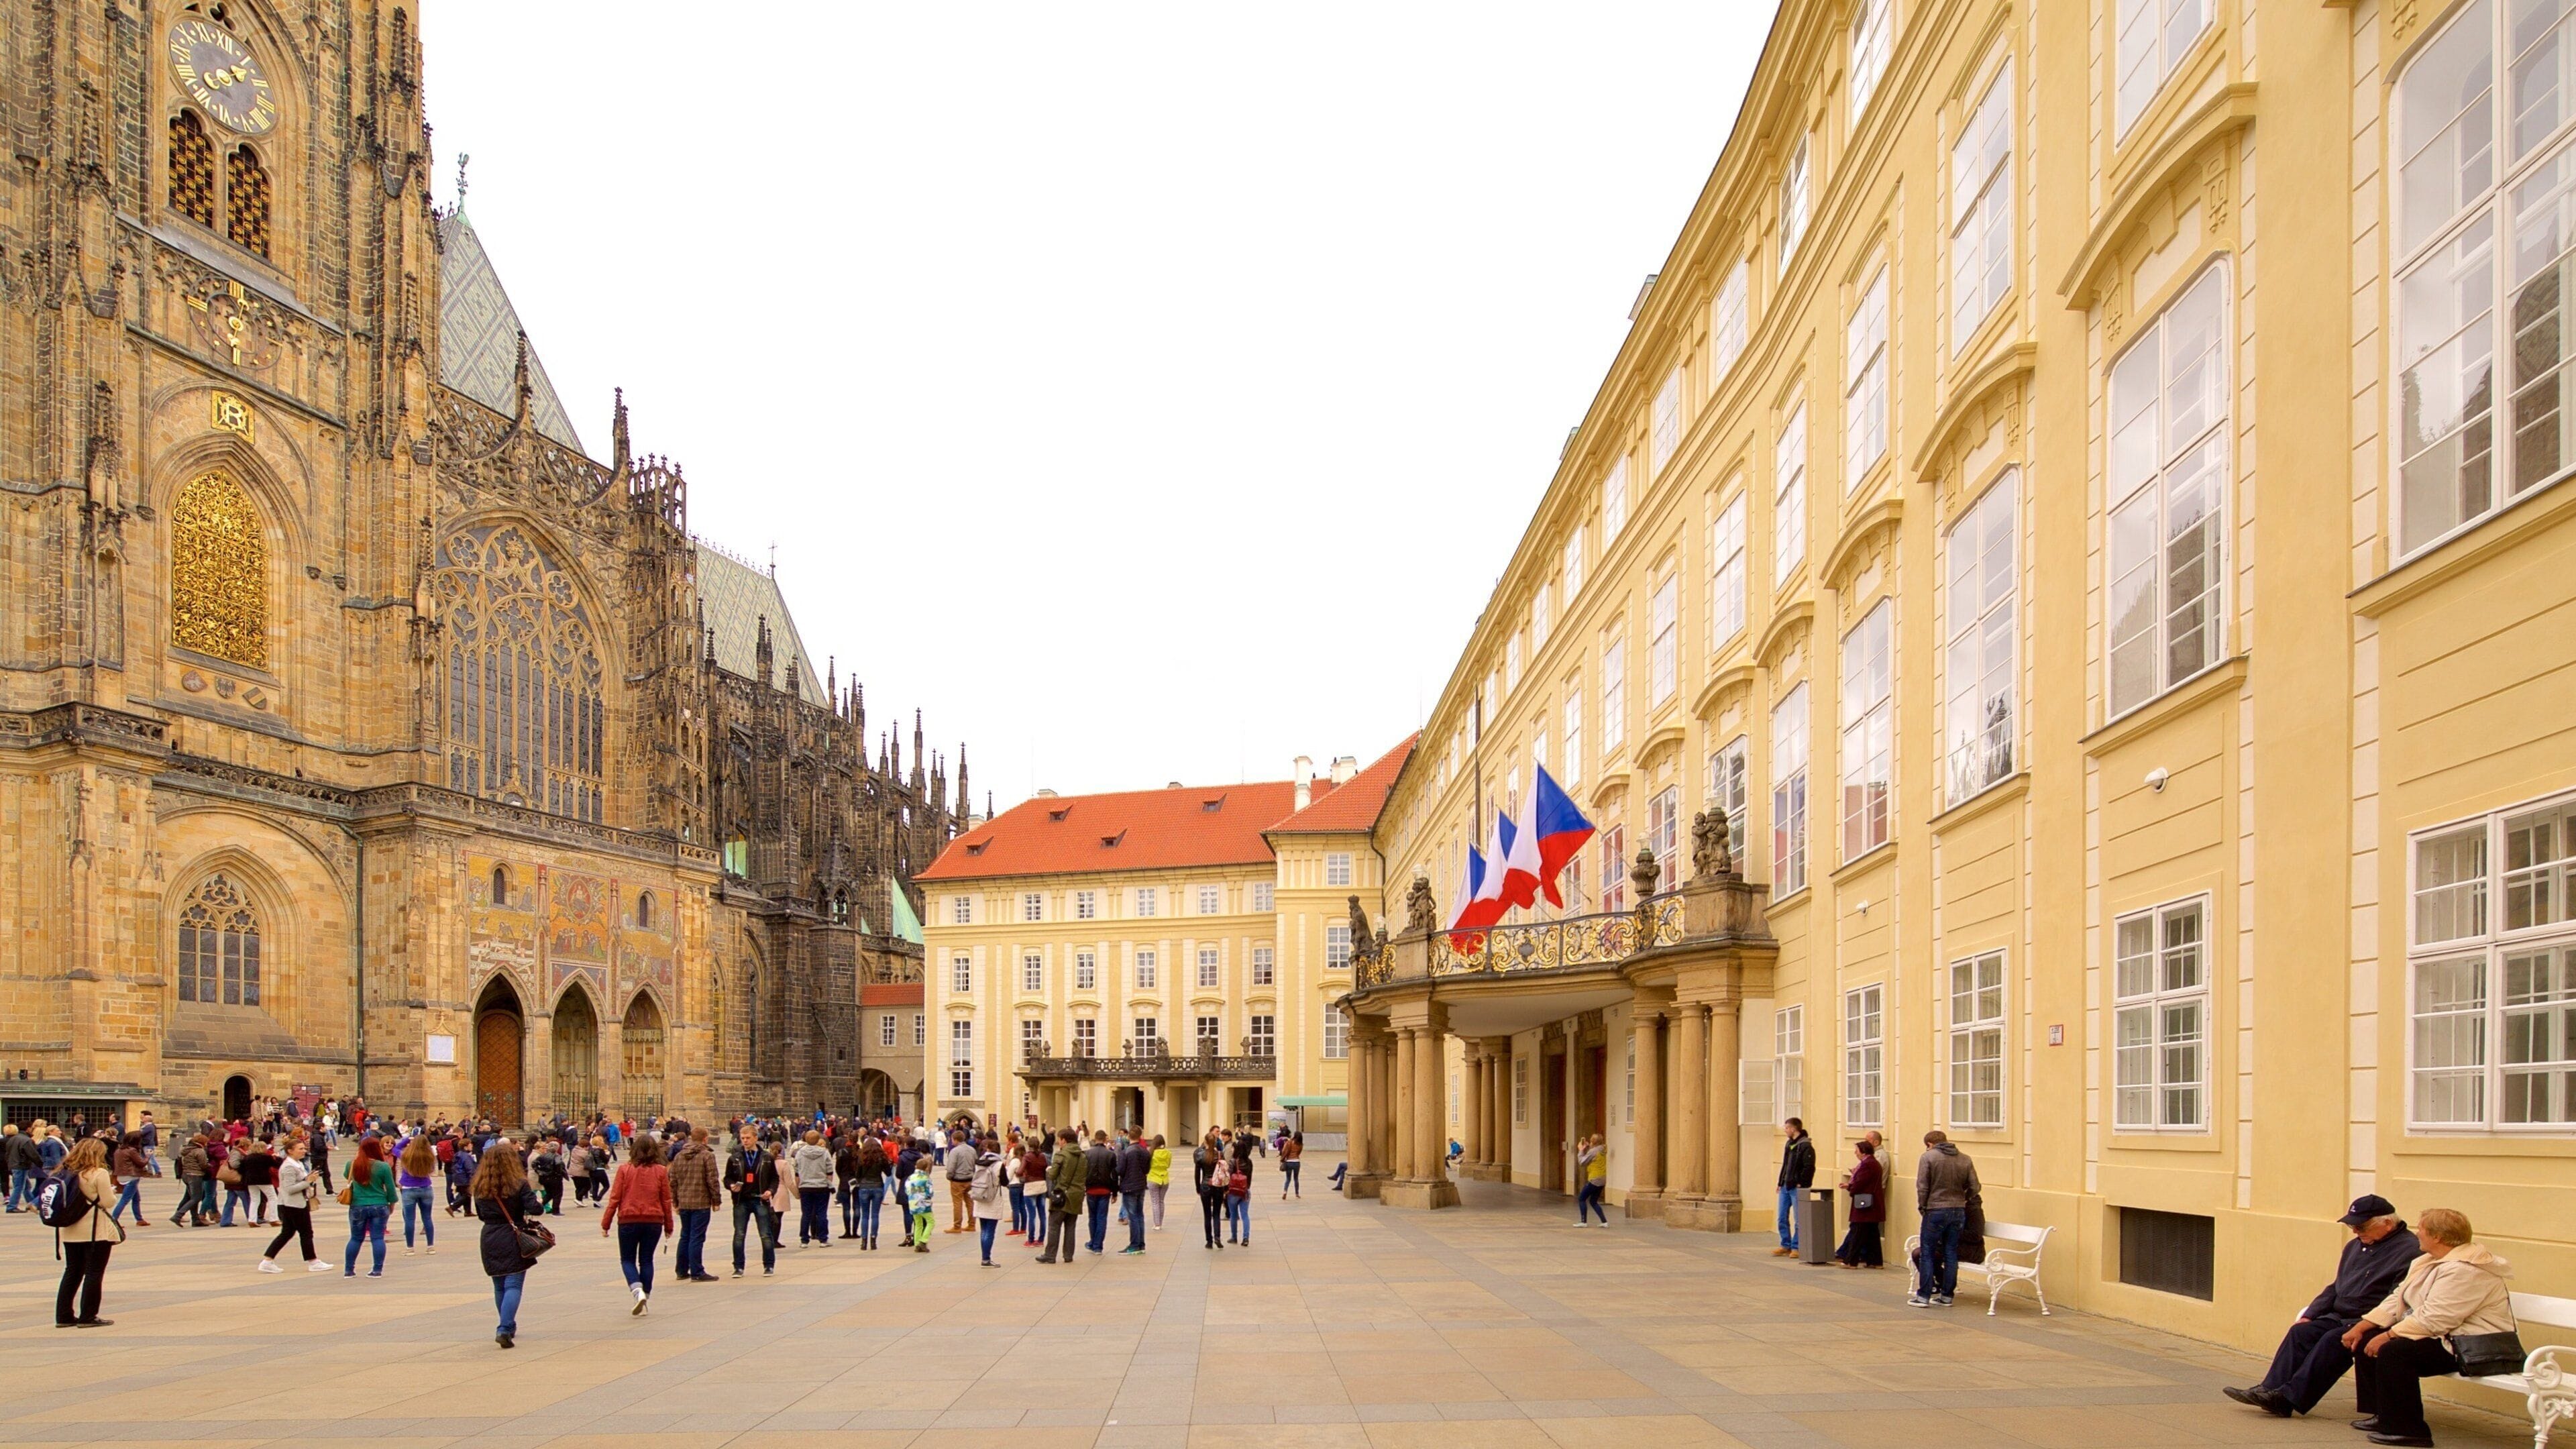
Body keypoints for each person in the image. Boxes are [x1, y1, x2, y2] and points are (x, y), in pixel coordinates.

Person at [2222, 1194, 2424, 1418]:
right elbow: (2337, 1286)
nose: (2355, 1231)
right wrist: (2311, 1314)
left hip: (2368, 1320)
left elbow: (2397, 1299)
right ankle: (2268, 1389)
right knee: (2301, 1332)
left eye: (2361, 1226)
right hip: (2340, 1314)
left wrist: (2366, 1324)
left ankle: (2288, 1399)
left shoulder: (2410, 1250)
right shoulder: (2355, 1246)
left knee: (2333, 1340)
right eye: (2352, 1226)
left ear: (2387, 1223)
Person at [2342, 1208, 2518, 1448]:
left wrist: (2389, 1335)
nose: (2417, 1234)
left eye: (2422, 1229)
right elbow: (2398, 1298)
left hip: (2472, 1346)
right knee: (2367, 1339)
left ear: (2438, 1237)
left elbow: (2437, 1318)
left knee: (2394, 1352)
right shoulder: (2428, 1261)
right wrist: (2363, 1326)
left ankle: (2409, 1431)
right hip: (2446, 1338)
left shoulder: (2467, 1270)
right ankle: (2384, 1414)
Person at [472, 1142, 547, 1349]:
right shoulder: (519, 1184)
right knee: (513, 1284)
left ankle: (508, 1325)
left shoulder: (480, 1186)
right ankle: (504, 1328)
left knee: (499, 1285)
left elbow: (481, 1215)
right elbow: (535, 1209)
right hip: (513, 1235)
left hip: (490, 1235)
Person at [600, 1133, 675, 1316]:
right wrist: (669, 1225)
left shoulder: (625, 1170)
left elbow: (615, 1198)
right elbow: (666, 1200)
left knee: (627, 1259)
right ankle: (645, 1296)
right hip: (653, 1220)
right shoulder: (660, 1171)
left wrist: (606, 1223)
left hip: (629, 1219)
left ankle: (636, 1290)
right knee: (647, 1260)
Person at [51, 1136, 122, 1328]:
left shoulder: (64, 1172)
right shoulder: (98, 1173)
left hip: (70, 1228)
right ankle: (88, 1315)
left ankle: (64, 1315)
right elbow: (108, 1202)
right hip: (94, 1230)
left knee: (72, 1272)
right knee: (94, 1272)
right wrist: (112, 1193)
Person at [1908, 1130, 1979, 1307]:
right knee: (1951, 1253)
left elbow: (1922, 1186)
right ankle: (1947, 1296)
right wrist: (1963, 1198)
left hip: (1935, 1208)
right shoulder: (1965, 1159)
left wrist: (1923, 1206)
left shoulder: (1928, 1157)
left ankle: (1923, 1296)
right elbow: (1975, 1186)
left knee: (1927, 1252)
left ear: (1930, 1144)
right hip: (1958, 1210)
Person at [257, 1136, 328, 1272]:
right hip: (293, 1204)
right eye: (300, 1149)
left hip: (294, 1203)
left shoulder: (297, 1163)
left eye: (304, 1148)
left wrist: (309, 1179)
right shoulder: (289, 1167)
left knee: (287, 1233)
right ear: (290, 1151)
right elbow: (289, 1189)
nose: (304, 1151)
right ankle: (313, 1261)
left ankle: (267, 1261)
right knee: (306, 1232)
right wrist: (308, 1181)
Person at [724, 1128, 780, 1277]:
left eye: (748, 1138)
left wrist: (770, 1191)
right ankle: (738, 1266)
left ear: (756, 1138)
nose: (745, 1141)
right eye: (743, 1138)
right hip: (741, 1200)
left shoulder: (767, 1157)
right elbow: (727, 1178)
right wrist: (731, 1185)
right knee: (739, 1234)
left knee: (765, 1234)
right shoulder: (735, 1158)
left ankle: (769, 1265)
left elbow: (774, 1178)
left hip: (760, 1199)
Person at [669, 1126, 721, 1284]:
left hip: (684, 1202)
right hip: (701, 1202)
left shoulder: (679, 1156)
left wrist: (675, 1201)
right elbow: (712, 1180)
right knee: (697, 1237)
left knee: (685, 1235)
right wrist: (716, 1200)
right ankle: (697, 1271)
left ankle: (681, 1270)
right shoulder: (707, 1156)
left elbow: (673, 1181)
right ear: (705, 1139)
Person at [343, 1136, 396, 1277]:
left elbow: (346, 1176)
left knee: (355, 1238)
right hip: (379, 1204)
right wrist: (392, 1204)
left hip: (358, 1205)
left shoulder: (352, 1164)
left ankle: (349, 1270)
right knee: (377, 1238)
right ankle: (377, 1270)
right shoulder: (383, 1166)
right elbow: (391, 1189)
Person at [1831, 1139, 1886, 1269]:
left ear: (1863, 1152)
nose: (1855, 1153)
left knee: (1857, 1232)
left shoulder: (1867, 1165)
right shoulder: (1873, 1163)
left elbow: (1860, 1183)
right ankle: (1875, 1261)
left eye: (1857, 1151)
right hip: (1873, 1204)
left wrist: (1851, 1188)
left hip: (1865, 1205)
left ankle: (1851, 1261)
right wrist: (1850, 1185)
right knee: (1872, 1234)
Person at [1772, 1117, 1814, 1256]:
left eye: (1786, 1128)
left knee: (1799, 1219)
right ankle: (1785, 1244)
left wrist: (1802, 1182)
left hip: (1796, 1187)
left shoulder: (1805, 1146)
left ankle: (1797, 1246)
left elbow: (1809, 1167)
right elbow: (1785, 1165)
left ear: (1793, 1129)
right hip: (1786, 1185)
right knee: (1782, 1217)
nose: (1785, 1130)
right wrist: (1780, 1182)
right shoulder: (1789, 1144)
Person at [395, 1133, 437, 1254]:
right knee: (427, 1218)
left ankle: (410, 1248)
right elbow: (432, 1170)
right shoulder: (430, 1156)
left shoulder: (406, 1155)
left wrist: (406, 1140)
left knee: (410, 1219)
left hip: (409, 1188)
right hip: (426, 1187)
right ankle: (430, 1246)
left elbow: (395, 1149)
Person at [791, 1129, 833, 1246]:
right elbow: (830, 1171)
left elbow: (797, 1172)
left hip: (805, 1186)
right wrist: (829, 1184)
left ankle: (804, 1240)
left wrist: (798, 1187)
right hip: (821, 1186)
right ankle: (823, 1239)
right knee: (822, 1213)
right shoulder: (825, 1153)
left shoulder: (800, 1153)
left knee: (806, 1214)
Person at [969, 1135, 1007, 1267]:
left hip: (980, 1196)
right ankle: (986, 1258)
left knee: (984, 1230)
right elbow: (1005, 1182)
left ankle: (984, 1257)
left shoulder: (979, 1162)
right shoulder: (999, 1164)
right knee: (990, 1231)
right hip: (993, 1198)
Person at [1081, 1130, 1117, 1254]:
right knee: (1102, 1218)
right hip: (1105, 1190)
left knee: (1092, 1218)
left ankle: (1093, 1242)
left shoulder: (1087, 1154)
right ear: (1105, 1139)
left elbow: (1083, 1172)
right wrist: (1115, 1192)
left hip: (1091, 1190)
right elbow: (1114, 1175)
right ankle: (1098, 1246)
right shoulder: (1110, 1155)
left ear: (1095, 1138)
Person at [109, 1133, 155, 1227]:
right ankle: (113, 1220)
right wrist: (148, 1156)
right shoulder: (132, 1150)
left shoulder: (119, 1150)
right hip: (131, 1176)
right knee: (125, 1200)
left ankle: (139, 1219)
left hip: (121, 1175)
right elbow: (141, 1163)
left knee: (136, 1199)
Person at [851, 1135, 890, 1250]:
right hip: (878, 1186)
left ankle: (864, 1241)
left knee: (865, 1215)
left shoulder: (862, 1157)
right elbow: (888, 1173)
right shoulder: (881, 1157)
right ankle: (873, 1240)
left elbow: (858, 1174)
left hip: (864, 1187)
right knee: (875, 1215)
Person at [1193, 1131, 1228, 1250]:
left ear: (1205, 1142)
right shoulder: (1220, 1154)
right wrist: (1226, 1188)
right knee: (1217, 1213)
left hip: (1205, 1185)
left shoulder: (1200, 1155)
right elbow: (1224, 1172)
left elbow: (1197, 1174)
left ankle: (1209, 1241)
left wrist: (1198, 1188)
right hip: (1217, 1186)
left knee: (1207, 1214)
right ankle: (1217, 1237)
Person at [945, 1128, 977, 1234]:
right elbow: (975, 1164)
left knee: (957, 1203)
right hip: (970, 1179)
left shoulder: (955, 1151)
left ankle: (957, 1226)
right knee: (970, 1202)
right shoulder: (972, 1150)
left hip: (958, 1180)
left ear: (955, 1140)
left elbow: (951, 1167)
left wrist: (949, 1177)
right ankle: (972, 1224)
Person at [903, 1151, 936, 1254]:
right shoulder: (926, 1178)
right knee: (931, 1222)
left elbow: (907, 1190)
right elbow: (930, 1192)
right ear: (926, 1168)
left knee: (918, 1224)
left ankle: (917, 1243)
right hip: (923, 1203)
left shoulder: (910, 1178)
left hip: (913, 1202)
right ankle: (923, 1241)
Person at [4, 1122, 41, 1212]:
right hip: (21, 1165)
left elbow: (8, 1154)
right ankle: (12, 1206)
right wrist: (41, 1164)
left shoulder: (13, 1139)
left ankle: (32, 1203)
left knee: (26, 1187)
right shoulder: (26, 1140)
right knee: (19, 1187)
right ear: (28, 1129)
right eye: (31, 1128)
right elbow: (33, 1155)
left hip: (15, 1165)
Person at [1574, 1134, 1609, 1226]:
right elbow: (1594, 1153)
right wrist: (1589, 1146)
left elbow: (1582, 1162)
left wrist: (1581, 1150)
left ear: (1593, 1141)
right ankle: (1604, 1222)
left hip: (1594, 1179)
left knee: (1582, 1198)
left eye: (1591, 1140)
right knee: (1593, 1201)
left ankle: (1583, 1222)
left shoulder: (1593, 1151)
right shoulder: (1603, 1149)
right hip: (1602, 1179)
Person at [1224, 1137, 1253, 1245]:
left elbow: (1228, 1176)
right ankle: (1246, 1238)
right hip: (1245, 1191)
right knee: (1245, 1215)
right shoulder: (1249, 1162)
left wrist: (1226, 1190)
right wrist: (1247, 1188)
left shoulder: (1233, 1162)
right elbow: (1249, 1177)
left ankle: (1234, 1237)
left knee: (1233, 1215)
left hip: (1233, 1192)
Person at [1146, 1134, 1172, 1228]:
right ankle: (1160, 1223)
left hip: (1153, 1177)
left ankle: (1157, 1224)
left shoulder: (1151, 1153)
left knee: (1155, 1202)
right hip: (1164, 1178)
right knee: (1161, 1201)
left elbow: (1147, 1165)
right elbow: (1168, 1165)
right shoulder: (1168, 1153)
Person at [1279, 1132, 1302, 1199]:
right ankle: (1297, 1194)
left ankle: (1285, 1191)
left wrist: (1283, 1158)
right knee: (1296, 1178)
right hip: (1297, 1162)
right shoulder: (1300, 1144)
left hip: (1289, 1162)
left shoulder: (1289, 1142)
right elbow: (1299, 1153)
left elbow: (1284, 1151)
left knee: (1288, 1179)